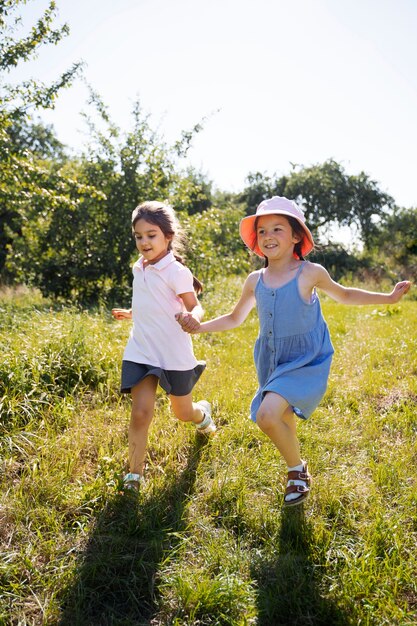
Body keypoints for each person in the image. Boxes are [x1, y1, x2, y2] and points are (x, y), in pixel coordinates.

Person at [177, 196, 411, 507]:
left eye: (277, 229)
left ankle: (297, 472)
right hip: (272, 360)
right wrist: (199, 327)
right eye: (262, 231)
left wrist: (388, 298)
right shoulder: (254, 280)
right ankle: (297, 466)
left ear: (296, 236)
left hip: (305, 359)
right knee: (281, 418)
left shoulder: (309, 273)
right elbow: (235, 318)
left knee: (266, 415)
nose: (268, 237)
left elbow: (345, 294)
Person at [112, 201, 216, 492]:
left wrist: (191, 318)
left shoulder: (176, 272)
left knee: (182, 413)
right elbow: (152, 303)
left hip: (172, 353)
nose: (144, 242)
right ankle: (134, 475)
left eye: (151, 235)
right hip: (141, 349)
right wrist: (133, 314)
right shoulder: (139, 267)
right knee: (140, 413)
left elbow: (195, 306)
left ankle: (202, 415)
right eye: (138, 236)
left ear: (168, 236)